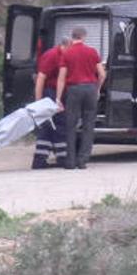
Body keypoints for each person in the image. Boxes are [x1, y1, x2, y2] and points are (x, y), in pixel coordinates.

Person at [55, 28, 106, 170]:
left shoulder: (67, 53)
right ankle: (82, 160)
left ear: (72, 37)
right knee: (89, 126)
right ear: (84, 36)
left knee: (71, 125)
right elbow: (102, 74)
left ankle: (70, 161)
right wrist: (97, 89)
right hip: (90, 89)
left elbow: (61, 78)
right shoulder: (92, 52)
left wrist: (58, 98)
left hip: (74, 90)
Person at [32, 38, 71, 169]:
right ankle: (60, 158)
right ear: (64, 46)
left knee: (52, 125)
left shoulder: (61, 55)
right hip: (50, 93)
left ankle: (42, 159)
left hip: (56, 92)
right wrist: (38, 102)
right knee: (58, 124)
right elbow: (41, 78)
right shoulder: (52, 55)